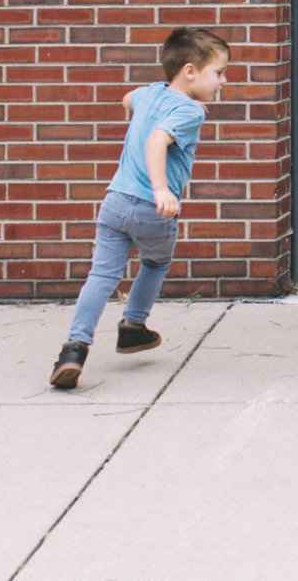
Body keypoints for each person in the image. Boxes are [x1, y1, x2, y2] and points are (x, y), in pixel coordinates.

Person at [50, 26, 230, 390]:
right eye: (219, 72)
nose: (223, 82)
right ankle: (133, 326)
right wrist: (162, 190)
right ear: (190, 71)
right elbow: (156, 140)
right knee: (155, 261)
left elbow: (126, 98)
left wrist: (137, 107)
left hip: (115, 201)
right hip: (152, 208)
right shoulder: (190, 111)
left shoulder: (149, 93)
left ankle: (74, 349)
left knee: (101, 276)